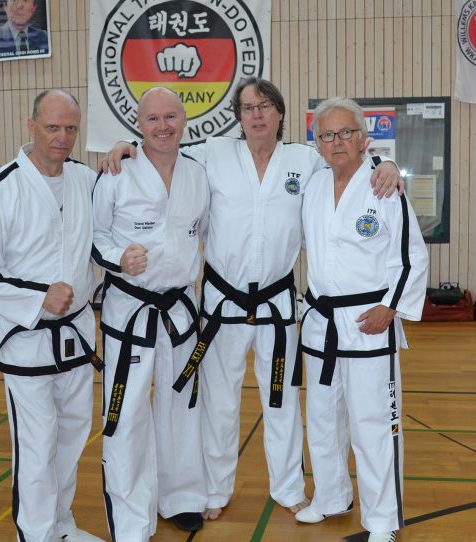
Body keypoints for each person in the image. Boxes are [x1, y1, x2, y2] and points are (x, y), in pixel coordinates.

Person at [103, 78, 404, 522]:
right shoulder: (213, 154)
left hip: (277, 304)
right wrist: (126, 145)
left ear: (281, 114)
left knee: (280, 399)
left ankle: (287, 486)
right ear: (238, 117)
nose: (256, 115)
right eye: (246, 108)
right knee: (218, 403)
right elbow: (163, 146)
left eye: (264, 106)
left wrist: (387, 163)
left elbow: (351, 164)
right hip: (221, 303)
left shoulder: (304, 160)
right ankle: (215, 489)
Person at [0, 89, 104, 542]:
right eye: (52, 127)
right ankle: (37, 534)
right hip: (26, 338)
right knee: (37, 442)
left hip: (77, 334)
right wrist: (40, 296)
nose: (63, 138)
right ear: (31, 125)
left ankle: (62, 526)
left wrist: (126, 152)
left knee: (72, 436)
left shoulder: (84, 179)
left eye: (71, 129)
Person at [295, 97, 428, 542]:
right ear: (317, 143)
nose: (337, 142)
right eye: (327, 134)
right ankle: (331, 497)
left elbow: (411, 256)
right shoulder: (313, 186)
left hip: (371, 322)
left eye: (346, 132)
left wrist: (391, 307)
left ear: (364, 137)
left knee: (373, 426)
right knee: (323, 418)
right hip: (321, 323)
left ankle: (383, 520)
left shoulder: (383, 186)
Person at [92, 86, 209, 540]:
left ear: (184, 120)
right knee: (128, 413)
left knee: (183, 403)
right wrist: (120, 257)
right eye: (153, 119)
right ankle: (131, 516)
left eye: (171, 117)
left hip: (180, 308)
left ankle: (180, 497)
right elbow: (95, 235)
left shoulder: (199, 173)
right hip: (130, 309)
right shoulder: (117, 171)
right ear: (138, 125)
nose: (163, 126)